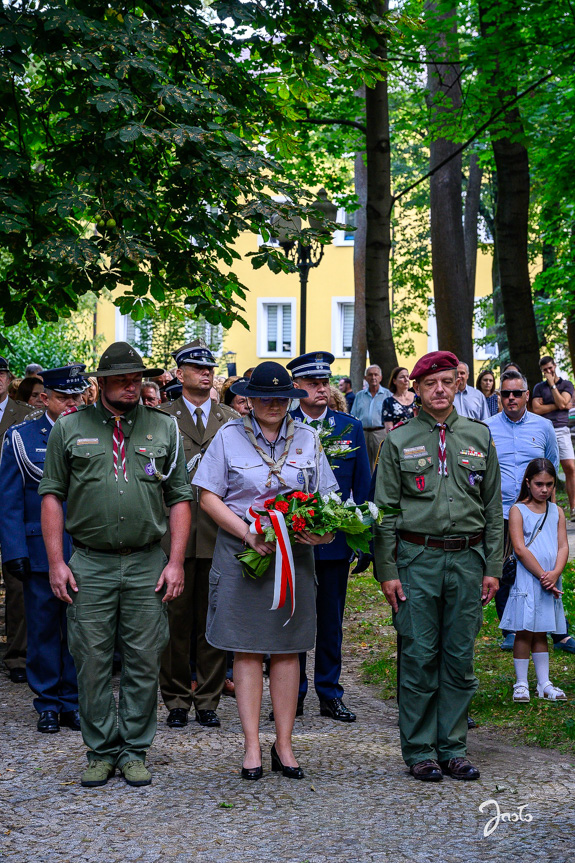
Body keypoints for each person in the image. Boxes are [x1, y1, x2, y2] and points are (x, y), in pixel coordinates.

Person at [38, 342, 192, 788]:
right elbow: (51, 496)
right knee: (91, 659)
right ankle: (101, 750)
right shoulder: (69, 429)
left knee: (145, 659)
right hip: (90, 562)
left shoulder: (164, 428)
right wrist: (56, 562)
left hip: (147, 562)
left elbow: (180, 497)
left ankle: (135, 750)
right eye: (122, 379)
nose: (132, 385)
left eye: (138, 378)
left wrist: (176, 561)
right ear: (100, 383)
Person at [193, 362, 338, 779]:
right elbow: (208, 496)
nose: (274, 404)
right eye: (265, 397)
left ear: (291, 401)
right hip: (244, 553)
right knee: (248, 647)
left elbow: (325, 497)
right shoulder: (227, 438)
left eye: (282, 398)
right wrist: (247, 533)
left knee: (289, 646)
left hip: (293, 557)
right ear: (249, 400)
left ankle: (285, 745)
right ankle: (253, 745)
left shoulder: (308, 438)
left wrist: (321, 533)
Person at [374, 350, 503, 782]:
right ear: (416, 389)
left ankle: (453, 748)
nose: (440, 390)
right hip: (417, 560)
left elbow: (492, 507)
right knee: (418, 655)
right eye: (430, 384)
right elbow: (386, 511)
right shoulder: (398, 441)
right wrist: (387, 571)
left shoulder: (479, 437)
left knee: (459, 657)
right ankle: (420, 750)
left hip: (468, 560)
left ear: (458, 384)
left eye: (447, 381)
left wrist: (493, 567)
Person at [0, 366, 87, 733]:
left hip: (85, 551)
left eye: (76, 396)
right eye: (63, 396)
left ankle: (72, 701)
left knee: (79, 631)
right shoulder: (21, 438)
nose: (70, 403)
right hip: (38, 551)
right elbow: (9, 500)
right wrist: (13, 549)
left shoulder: (92, 433)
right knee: (43, 629)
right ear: (45, 397)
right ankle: (47, 702)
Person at [159, 339, 238, 731]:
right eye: (196, 367)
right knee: (174, 624)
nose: (206, 372)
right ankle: (175, 697)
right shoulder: (160, 417)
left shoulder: (230, 418)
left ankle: (207, 698)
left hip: (217, 533)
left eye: (210, 367)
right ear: (179, 373)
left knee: (213, 622)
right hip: (174, 536)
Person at [288, 351, 370, 722]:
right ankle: (294, 694)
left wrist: (363, 539)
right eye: (313, 383)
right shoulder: (283, 424)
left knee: (331, 622)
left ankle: (329, 692)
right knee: (292, 619)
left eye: (325, 382)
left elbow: (363, 488)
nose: (322, 389)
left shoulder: (349, 427)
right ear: (297, 387)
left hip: (335, 542)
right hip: (293, 541)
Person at [485, 371, 571, 652]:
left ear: (525, 395)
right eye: (506, 393)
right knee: (504, 569)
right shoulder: (486, 428)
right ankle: (510, 630)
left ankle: (558, 631)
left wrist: (552, 510)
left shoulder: (543, 426)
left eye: (516, 393)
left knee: (546, 562)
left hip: (537, 511)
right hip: (501, 511)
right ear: (500, 397)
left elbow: (550, 468)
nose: (511, 398)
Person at [502, 459, 568, 702]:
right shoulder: (517, 510)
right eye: (539, 484)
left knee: (542, 631)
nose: (545, 489)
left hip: (549, 581)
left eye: (549, 485)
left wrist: (555, 574)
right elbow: (519, 548)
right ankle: (521, 683)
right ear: (528, 483)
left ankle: (544, 683)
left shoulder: (557, 511)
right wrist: (543, 575)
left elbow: (563, 546)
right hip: (528, 581)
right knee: (524, 630)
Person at [0, 356, 42, 684]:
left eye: (1, 374)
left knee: (17, 584)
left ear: (9, 378)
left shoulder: (24, 415)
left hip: (14, 504)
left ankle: (17, 654)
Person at [532, 355, 575, 520]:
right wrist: (559, 404)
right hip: (544, 430)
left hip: (562, 430)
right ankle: (552, 509)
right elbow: (536, 409)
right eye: (545, 370)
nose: (548, 372)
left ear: (555, 366)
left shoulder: (566, 384)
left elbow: (565, 403)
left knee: (570, 467)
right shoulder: (538, 387)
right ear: (542, 371)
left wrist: (552, 386)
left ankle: (573, 508)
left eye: (550, 368)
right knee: (548, 468)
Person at [351, 364, 392, 470]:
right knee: (364, 463)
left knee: (382, 462)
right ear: (365, 378)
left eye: (376, 374)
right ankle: (366, 486)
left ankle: (379, 486)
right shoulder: (359, 395)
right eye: (370, 375)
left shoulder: (388, 395)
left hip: (381, 433)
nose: (373, 377)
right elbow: (353, 416)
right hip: (363, 433)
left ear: (380, 377)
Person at [382, 367, 416, 432]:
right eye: (402, 377)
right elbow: (389, 429)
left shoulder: (417, 397)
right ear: (394, 381)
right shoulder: (388, 402)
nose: (406, 379)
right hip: (399, 439)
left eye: (407, 376)